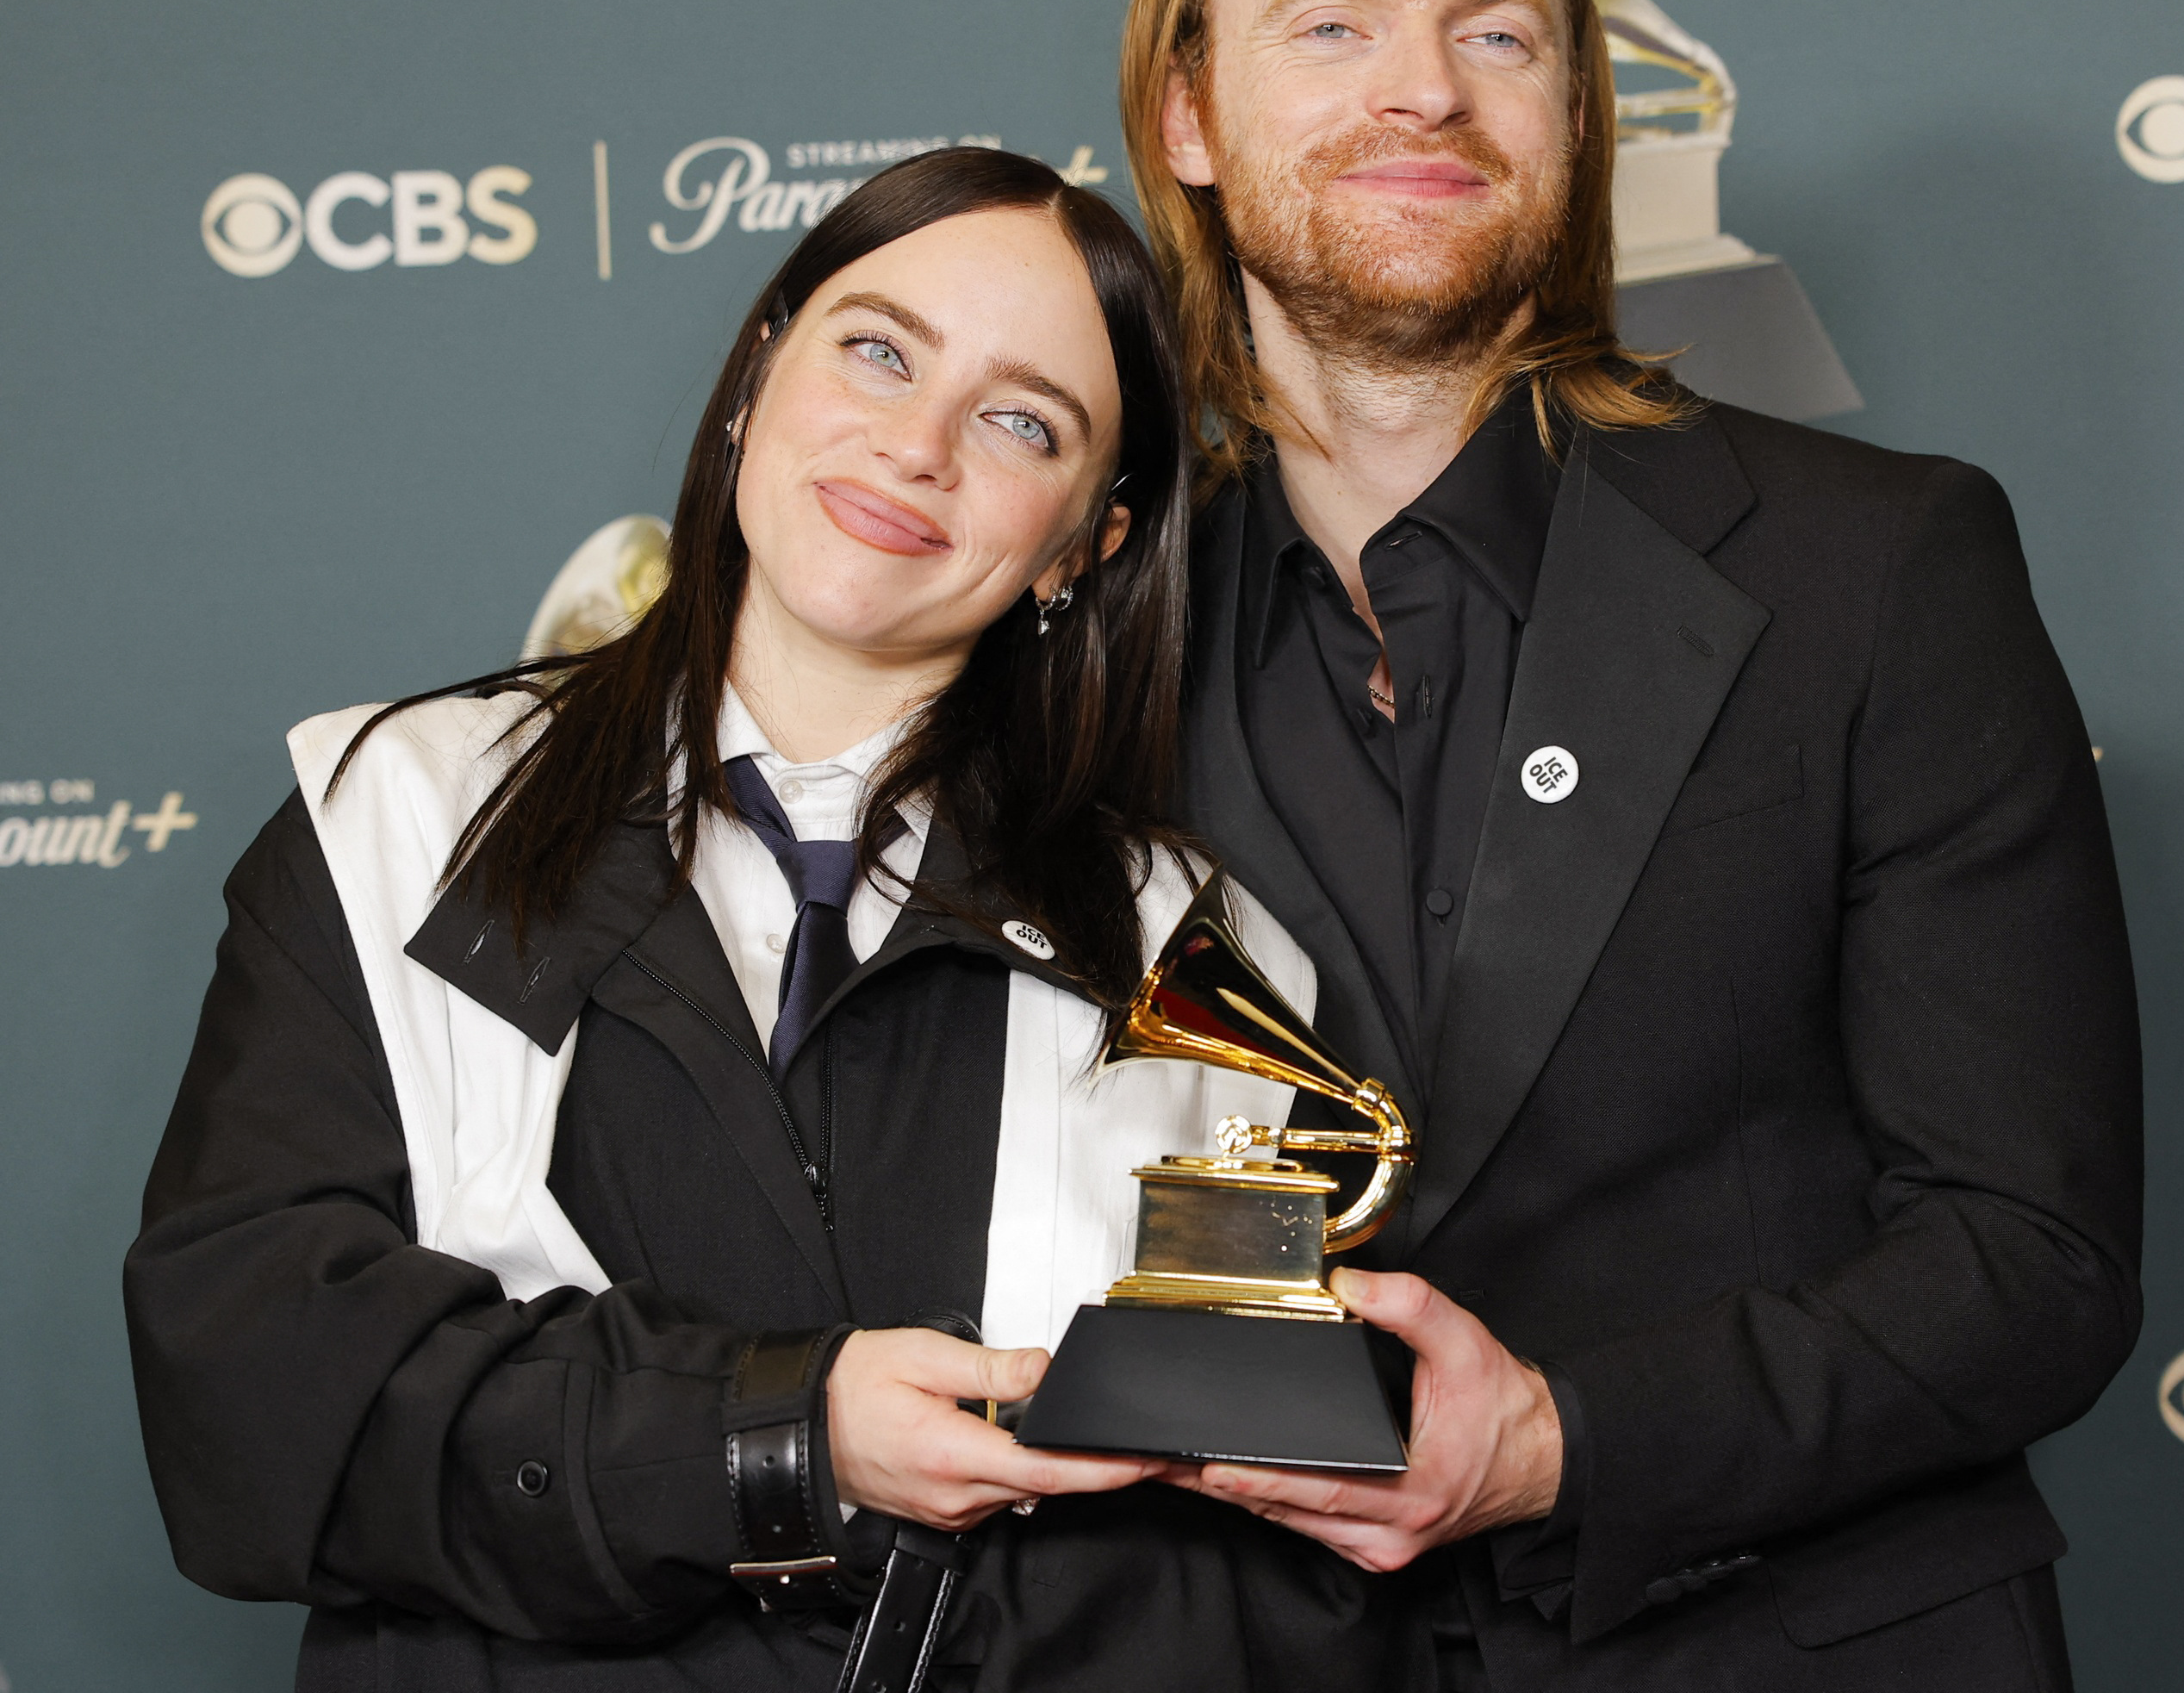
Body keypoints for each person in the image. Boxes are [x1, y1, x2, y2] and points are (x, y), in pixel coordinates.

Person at [125, 147, 1430, 1692]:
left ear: (1088, 542)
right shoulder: (390, 815)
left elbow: (1255, 1565)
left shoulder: (1198, 954)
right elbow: (255, 1393)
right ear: (756, 376)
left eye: (1021, 422)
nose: (914, 445)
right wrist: (782, 1439)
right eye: (877, 349)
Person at [1120, 0, 2145, 1690]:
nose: (1420, 88)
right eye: (1329, 24)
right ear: (1187, 112)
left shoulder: (1881, 567)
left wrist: (1563, 1442)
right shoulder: (1064, 624)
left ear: (1572, 115)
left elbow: (2031, 1258)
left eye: (1491, 31)